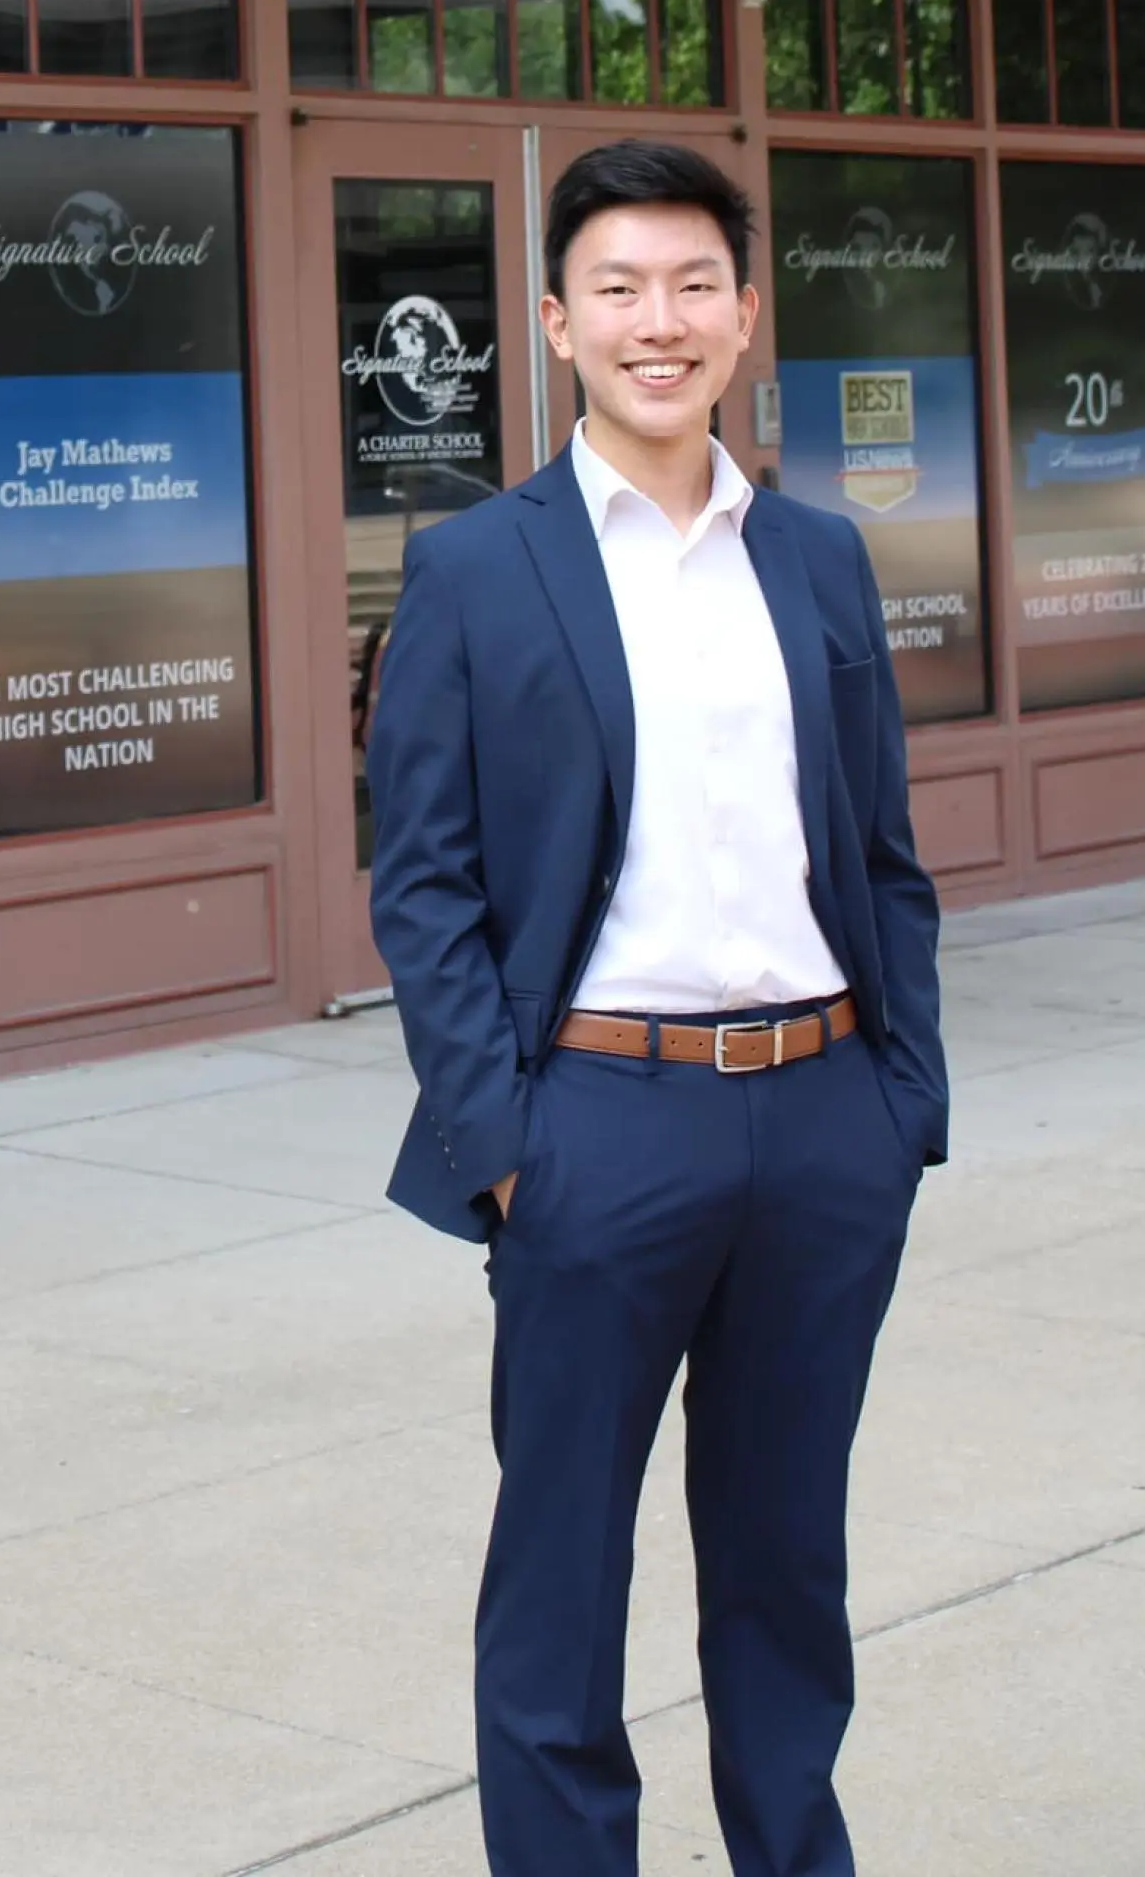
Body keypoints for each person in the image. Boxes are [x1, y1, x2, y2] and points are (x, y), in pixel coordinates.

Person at [366, 139, 947, 1877]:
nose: (660, 319)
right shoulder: (478, 565)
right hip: (596, 1127)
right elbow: (425, 881)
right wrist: (506, 1145)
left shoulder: (823, 562)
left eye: (696, 283)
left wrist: (899, 1103)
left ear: (749, 315)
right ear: (556, 322)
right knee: (561, 1582)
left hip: (821, 1117)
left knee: (787, 1569)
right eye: (618, 287)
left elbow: (882, 852)